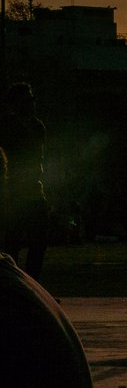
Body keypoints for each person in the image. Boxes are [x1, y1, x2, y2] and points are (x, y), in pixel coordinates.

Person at [0, 82, 51, 276]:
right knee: (14, 244)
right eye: (27, 101)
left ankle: (31, 286)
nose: (31, 105)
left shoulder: (36, 126)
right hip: (16, 192)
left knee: (37, 242)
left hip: (30, 190)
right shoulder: (11, 126)